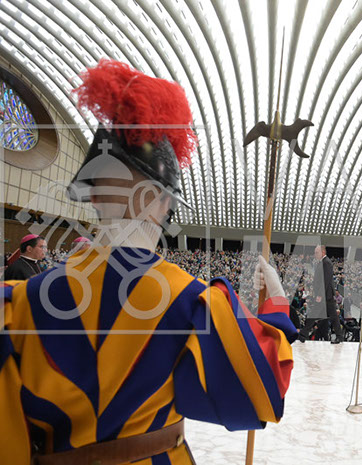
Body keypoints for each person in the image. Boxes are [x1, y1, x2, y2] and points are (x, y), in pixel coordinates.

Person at [0, 59, 296, 465]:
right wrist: (276, 307)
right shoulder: (193, 302)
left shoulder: (17, 308)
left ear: (93, 196)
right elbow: (262, 392)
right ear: (164, 203)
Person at [299, 245, 343, 343]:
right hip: (325, 295)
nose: (315, 254)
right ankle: (303, 334)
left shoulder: (326, 262)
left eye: (317, 252)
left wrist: (320, 295)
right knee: (332, 316)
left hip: (325, 295)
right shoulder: (323, 262)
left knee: (315, 314)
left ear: (323, 252)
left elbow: (325, 280)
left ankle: (303, 334)